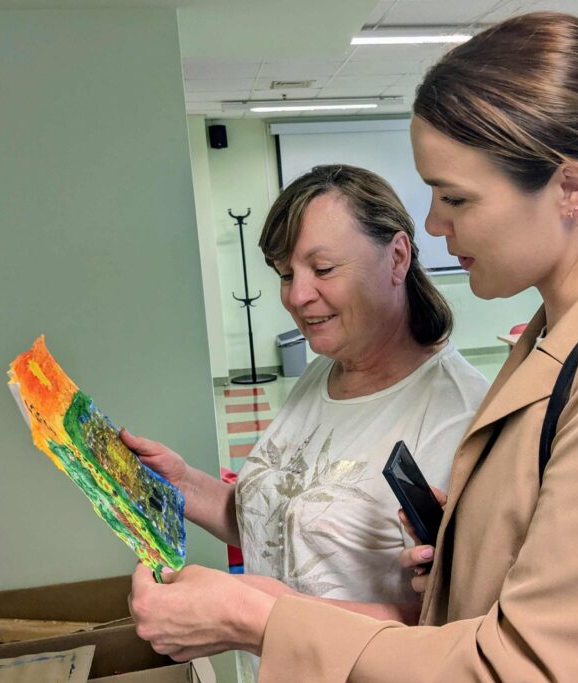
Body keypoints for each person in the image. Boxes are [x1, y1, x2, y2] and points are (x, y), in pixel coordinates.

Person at [128, 12, 578, 681]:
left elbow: (532, 668)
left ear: (569, 189)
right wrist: (454, 570)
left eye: (455, 198)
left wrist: (256, 619)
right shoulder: (564, 336)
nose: (435, 224)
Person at [122, 163, 488, 677]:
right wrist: (183, 484)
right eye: (286, 274)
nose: (297, 296)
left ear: (397, 257)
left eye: (323, 269)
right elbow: (280, 523)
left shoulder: (459, 414)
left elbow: (445, 630)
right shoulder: (322, 373)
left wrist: (243, 615)